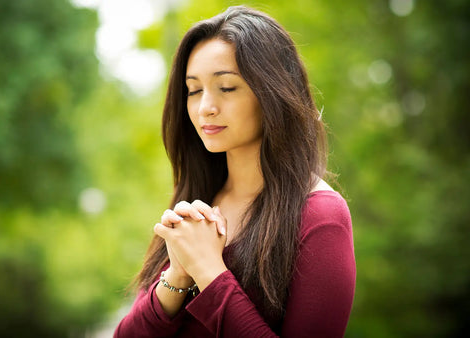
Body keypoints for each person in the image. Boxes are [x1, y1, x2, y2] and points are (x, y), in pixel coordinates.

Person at [114, 5, 355, 337]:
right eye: (194, 90)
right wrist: (177, 278)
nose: (205, 107)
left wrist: (209, 271)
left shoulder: (320, 216)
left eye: (226, 88)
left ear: (274, 92)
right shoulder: (195, 205)